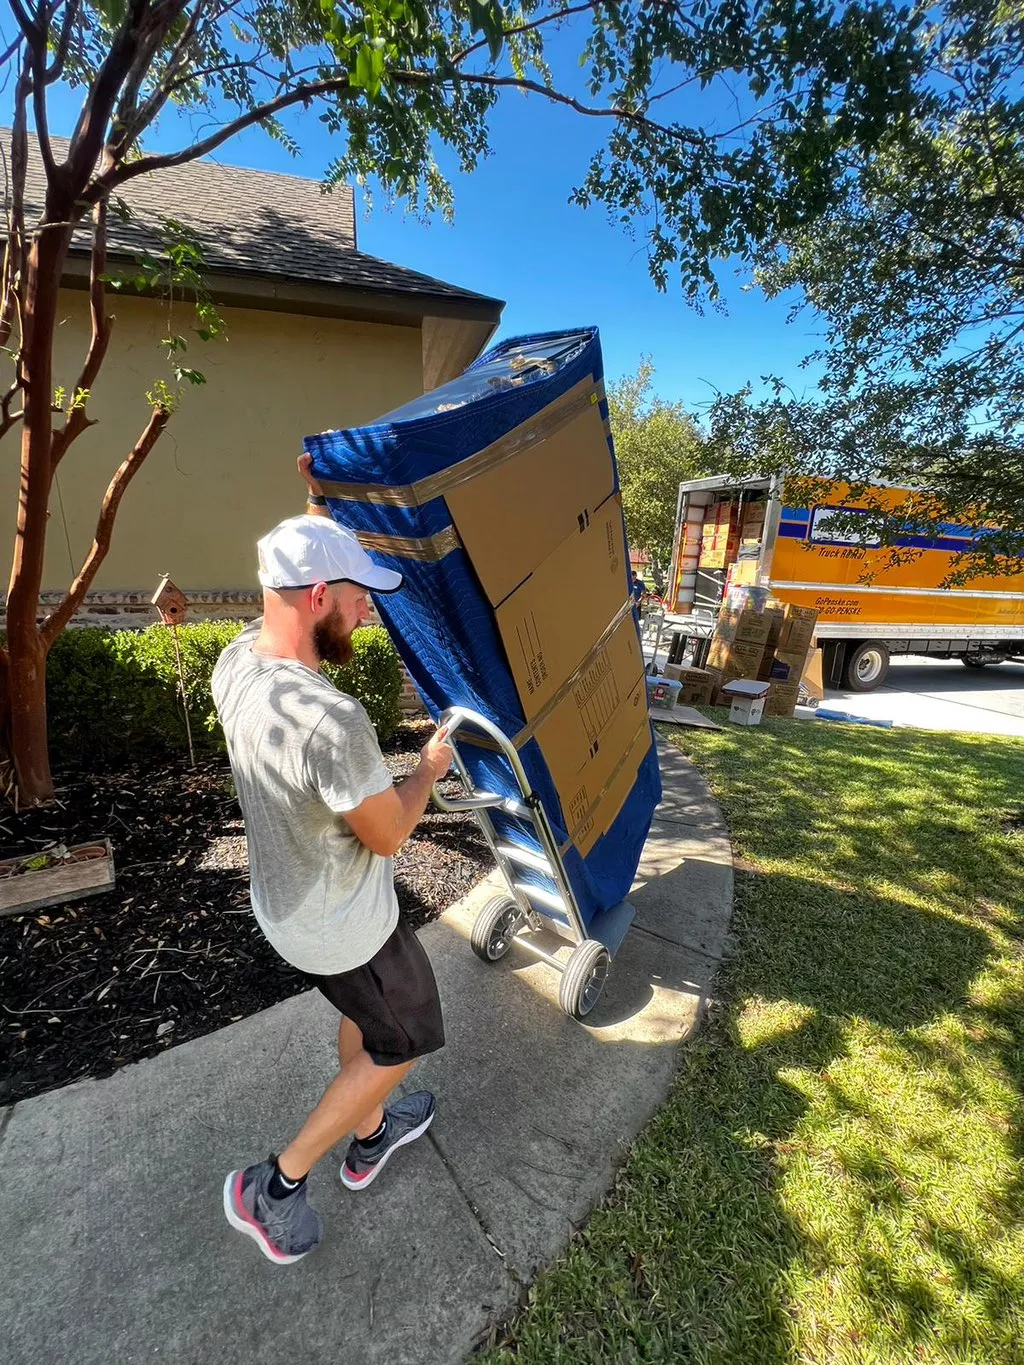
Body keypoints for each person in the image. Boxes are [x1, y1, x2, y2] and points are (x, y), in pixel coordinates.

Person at [212, 459, 453, 1266]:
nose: (366, 615)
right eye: (357, 600)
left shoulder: (239, 664)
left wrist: (315, 509)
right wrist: (427, 768)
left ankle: (373, 1130)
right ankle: (275, 1185)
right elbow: (388, 835)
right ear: (318, 597)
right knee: (409, 1032)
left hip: (282, 908)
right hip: (343, 926)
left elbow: (291, 578)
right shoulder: (329, 718)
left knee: (367, 1014)